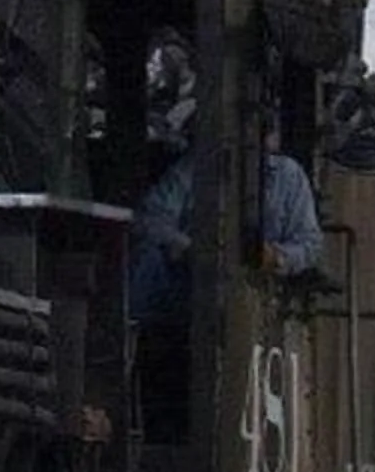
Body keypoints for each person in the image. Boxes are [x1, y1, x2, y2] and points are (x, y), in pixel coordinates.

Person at [129, 104, 323, 323]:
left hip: (260, 293)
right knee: (148, 259)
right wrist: (191, 249)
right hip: (193, 284)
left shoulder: (289, 177)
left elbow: (310, 245)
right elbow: (151, 217)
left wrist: (276, 257)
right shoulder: (194, 166)